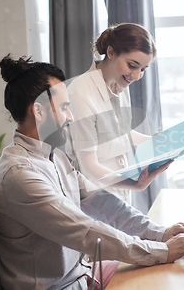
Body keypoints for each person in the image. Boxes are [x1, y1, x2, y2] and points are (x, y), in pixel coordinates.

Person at [0, 55, 184, 290]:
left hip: (79, 277)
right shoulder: (20, 175)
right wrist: (161, 251)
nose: (70, 117)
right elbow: (85, 231)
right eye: (64, 108)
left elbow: (102, 203)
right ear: (39, 112)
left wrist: (159, 233)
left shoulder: (54, 156)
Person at [66, 23, 162, 204]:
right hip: (94, 193)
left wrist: (153, 141)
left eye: (143, 69)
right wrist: (135, 184)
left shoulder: (120, 84)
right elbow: (89, 166)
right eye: (132, 65)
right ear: (110, 52)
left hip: (119, 190)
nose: (136, 76)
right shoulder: (81, 92)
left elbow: (120, 132)